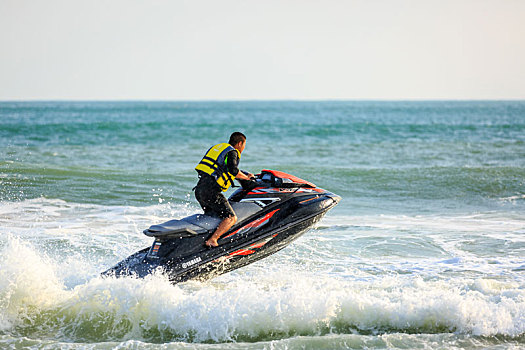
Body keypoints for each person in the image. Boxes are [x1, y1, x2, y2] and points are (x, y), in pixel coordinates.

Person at [194, 132, 254, 247]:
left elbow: (224, 169)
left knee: (213, 219)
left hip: (200, 190)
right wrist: (247, 178)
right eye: (244, 145)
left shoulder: (221, 149)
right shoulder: (232, 152)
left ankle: (200, 243)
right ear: (240, 143)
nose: (244, 148)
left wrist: (245, 174)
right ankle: (213, 240)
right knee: (231, 217)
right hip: (211, 192)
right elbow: (233, 170)